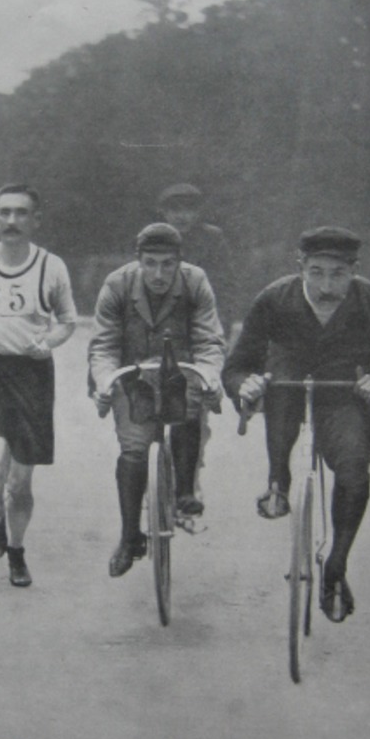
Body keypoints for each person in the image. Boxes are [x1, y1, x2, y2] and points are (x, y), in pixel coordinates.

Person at [222, 226, 370, 622]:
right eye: (316, 272)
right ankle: (278, 481)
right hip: (287, 384)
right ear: (300, 268)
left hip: (342, 392)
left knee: (353, 472)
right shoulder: (274, 299)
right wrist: (244, 384)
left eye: (338, 274)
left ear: (354, 270)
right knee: (278, 393)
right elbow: (238, 363)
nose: (326, 285)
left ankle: (336, 566)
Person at [0, 184, 77, 588]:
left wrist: (50, 342)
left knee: (21, 482)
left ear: (35, 220)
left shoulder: (51, 266)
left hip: (33, 375)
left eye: (21, 213)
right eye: (4, 213)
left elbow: (68, 321)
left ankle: (17, 552)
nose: (11, 221)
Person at [88, 223, 226, 577]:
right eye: (150, 263)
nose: (159, 273)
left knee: (189, 410)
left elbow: (209, 340)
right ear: (138, 260)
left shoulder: (195, 282)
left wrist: (209, 372)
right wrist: (105, 379)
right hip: (132, 377)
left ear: (180, 261)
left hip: (180, 373)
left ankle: (184, 495)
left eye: (168, 264)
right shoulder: (117, 285)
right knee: (134, 449)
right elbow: (103, 344)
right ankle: (129, 536)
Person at [155, 183, 239, 334]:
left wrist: (221, 323)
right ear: (164, 212)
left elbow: (224, 285)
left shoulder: (212, 238)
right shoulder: (154, 239)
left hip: (203, 319)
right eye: (175, 209)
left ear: (198, 212)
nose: (182, 216)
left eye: (189, 209)